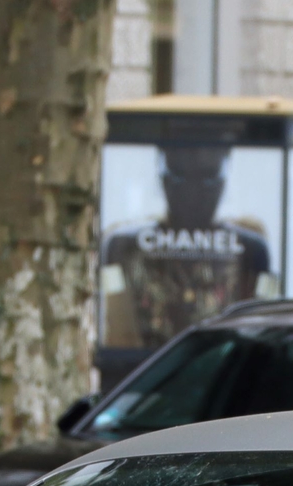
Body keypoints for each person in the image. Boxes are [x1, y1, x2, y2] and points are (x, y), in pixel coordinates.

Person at [99, 145, 277, 349]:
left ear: (224, 178)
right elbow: (118, 334)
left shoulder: (252, 248)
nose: (193, 190)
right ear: (161, 177)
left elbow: (261, 330)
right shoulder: (124, 246)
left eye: (207, 176)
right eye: (179, 175)